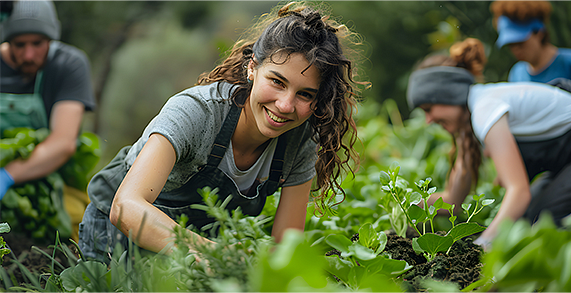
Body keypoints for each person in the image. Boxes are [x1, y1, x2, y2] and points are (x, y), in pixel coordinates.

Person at [78, 1, 364, 263]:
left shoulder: (299, 142)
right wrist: (211, 253)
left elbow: (285, 247)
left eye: (305, 95)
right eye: (277, 81)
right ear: (252, 68)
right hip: (115, 240)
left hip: (188, 253)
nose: (285, 105)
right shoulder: (196, 112)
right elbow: (126, 207)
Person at [407, 38, 571, 248]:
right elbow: (453, 201)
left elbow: (519, 192)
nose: (428, 120)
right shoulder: (468, 129)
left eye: (429, 109)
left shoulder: (485, 109)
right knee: (524, 220)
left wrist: (482, 245)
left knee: (542, 223)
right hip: (570, 161)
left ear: (448, 94)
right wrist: (410, 205)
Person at [0, 0, 95, 240]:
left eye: (38, 43)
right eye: (20, 45)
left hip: (52, 177)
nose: (29, 54)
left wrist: (5, 176)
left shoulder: (69, 65)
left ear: (51, 39)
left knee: (79, 224)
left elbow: (62, 143)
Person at [490, 0, 571, 97]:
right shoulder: (517, 74)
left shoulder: (570, 63)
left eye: (520, 42)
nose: (516, 49)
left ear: (539, 32)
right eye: (511, 44)